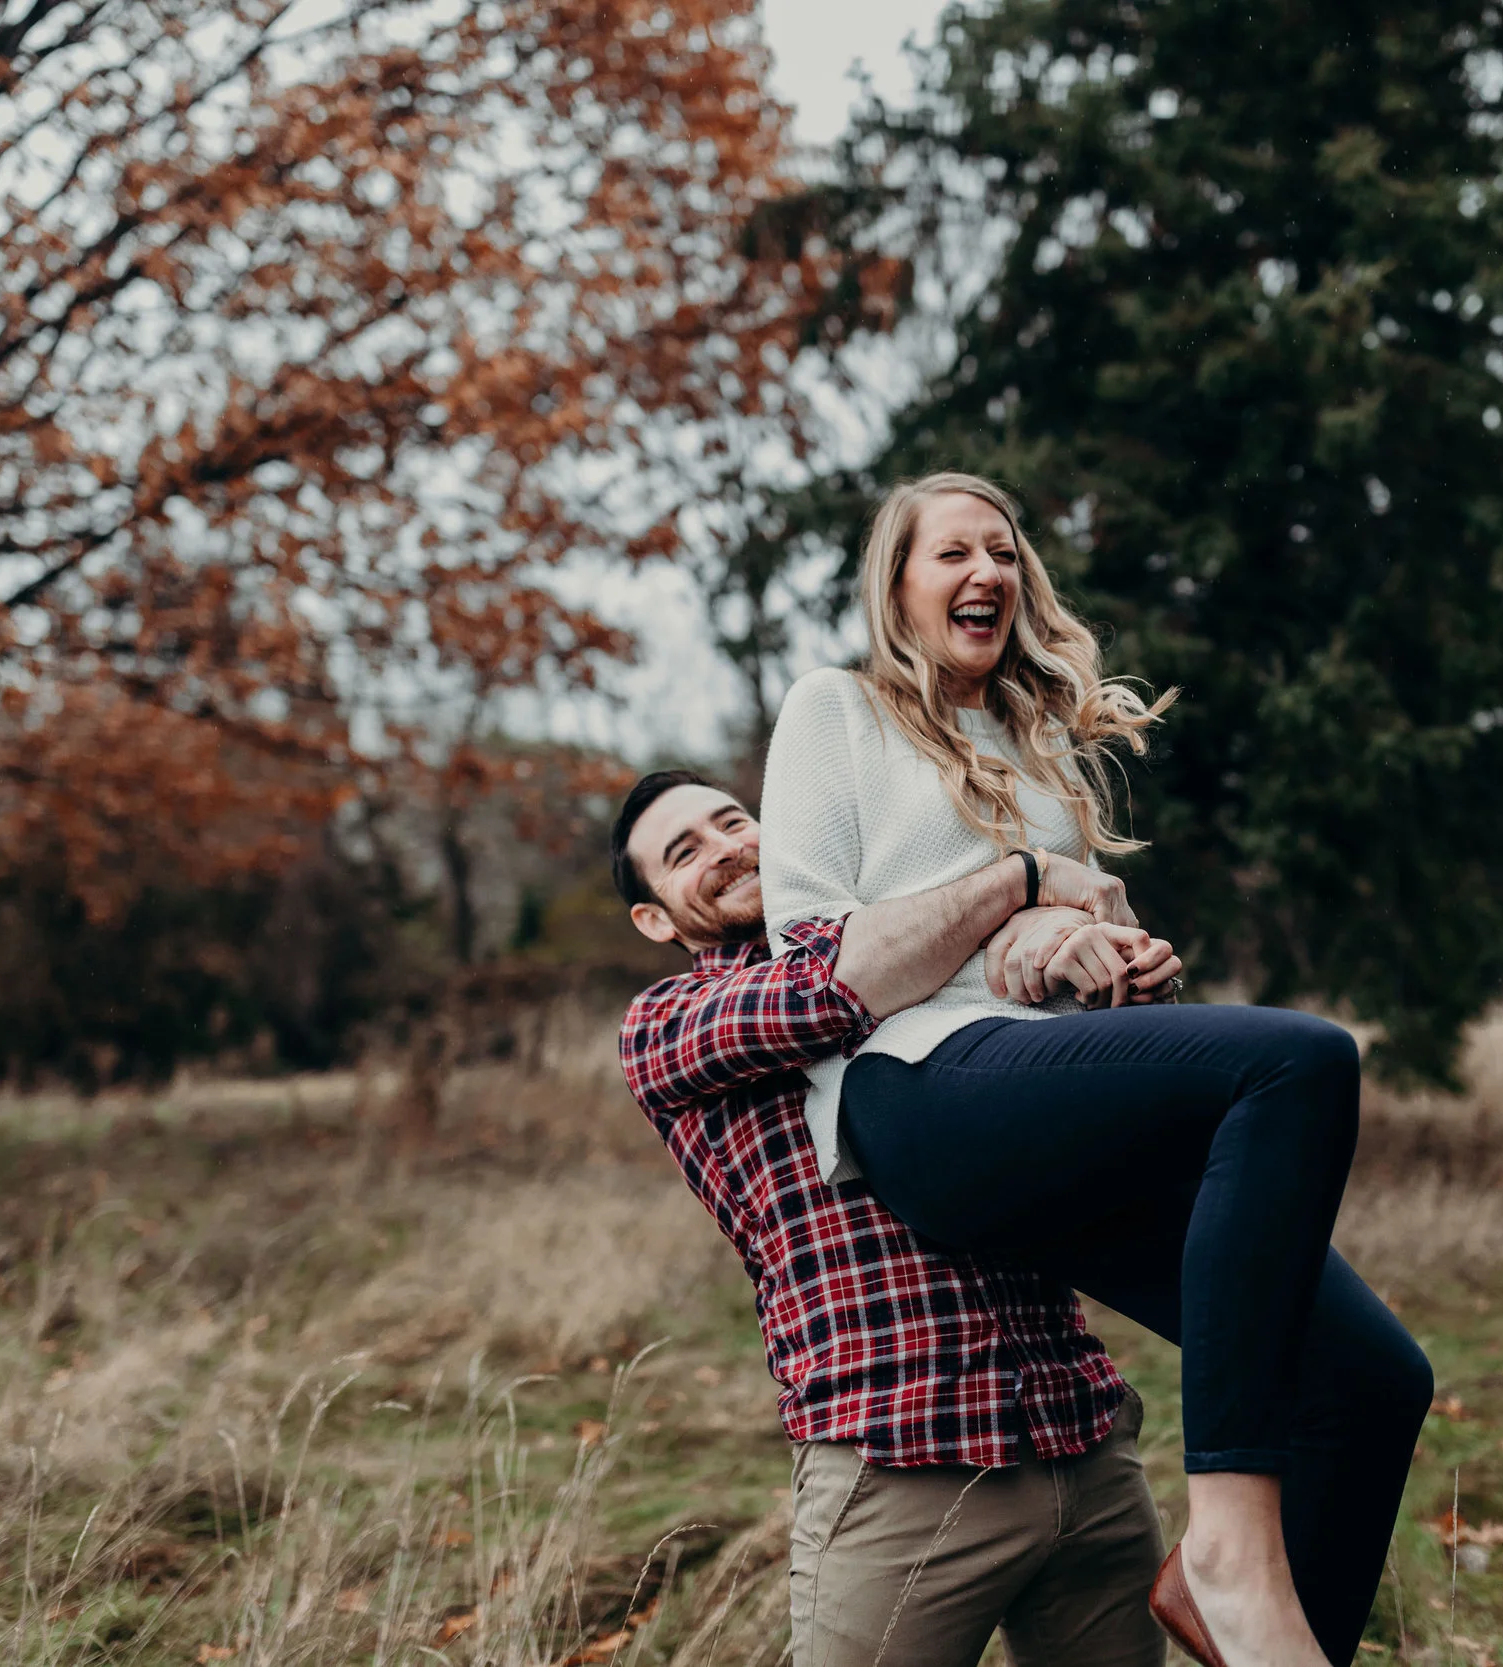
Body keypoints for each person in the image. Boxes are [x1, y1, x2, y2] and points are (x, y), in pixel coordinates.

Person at [758, 473, 1435, 1667]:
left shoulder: (1031, 741)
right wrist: (1020, 890)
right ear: (897, 584)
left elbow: (1014, 958)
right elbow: (820, 960)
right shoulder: (836, 710)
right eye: (953, 553)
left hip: (1031, 1090)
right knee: (1297, 1060)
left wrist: (1101, 964)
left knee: (1371, 1378)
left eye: (1005, 551)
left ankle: (1274, 1635)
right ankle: (1227, 1543)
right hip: (915, 1094)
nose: (988, 573)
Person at [613, 767, 1184, 1667]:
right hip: (898, 1461)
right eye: (684, 854)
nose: (725, 849)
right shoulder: (667, 1024)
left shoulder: (926, 942)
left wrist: (1120, 983)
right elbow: (828, 994)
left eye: (733, 823)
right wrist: (1026, 877)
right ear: (655, 917)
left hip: (1080, 1439)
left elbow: (1089, 1116)